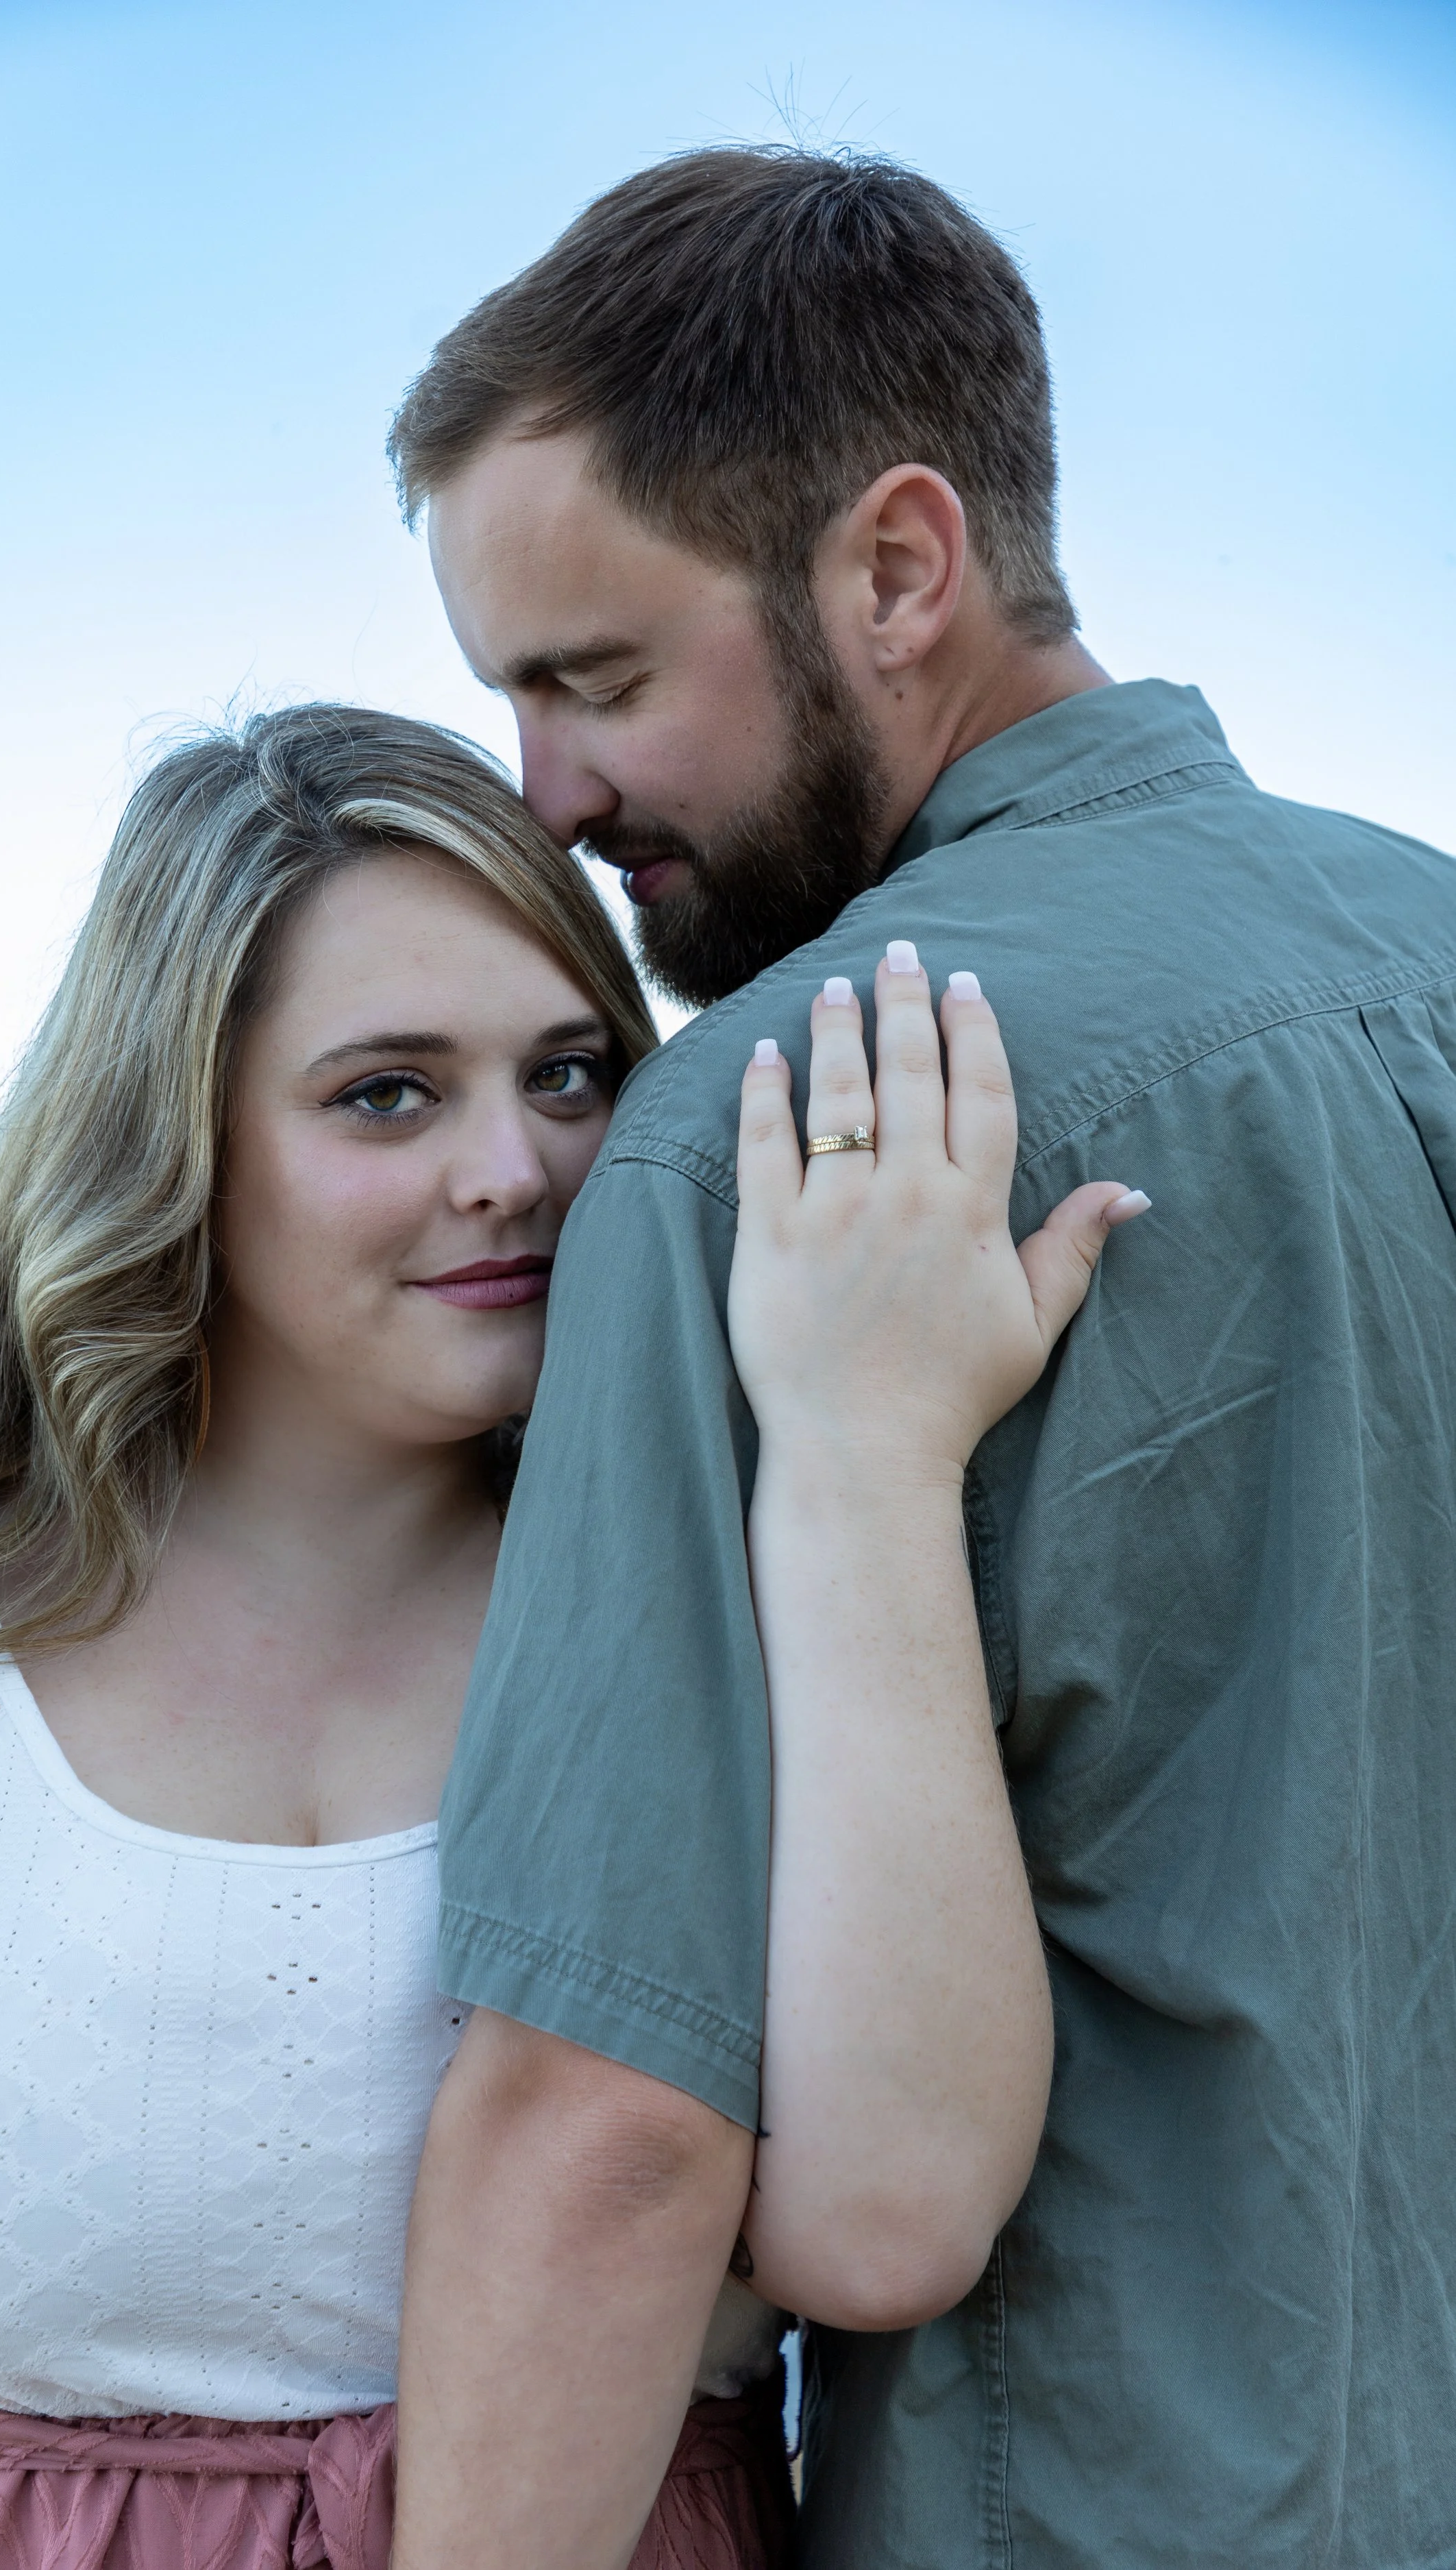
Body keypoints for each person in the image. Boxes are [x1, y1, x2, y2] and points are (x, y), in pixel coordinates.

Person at [386, 145, 1456, 2568]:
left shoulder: (782, 1117)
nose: (550, 799)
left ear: (893, 566)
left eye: (596, 678)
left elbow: (600, 2112)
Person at [0, 703, 1129, 2569]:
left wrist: (870, 1454)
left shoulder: (759, 1577)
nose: (516, 1167)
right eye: (386, 1092)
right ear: (181, 1133)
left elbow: (885, 2219)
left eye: (567, 1074)